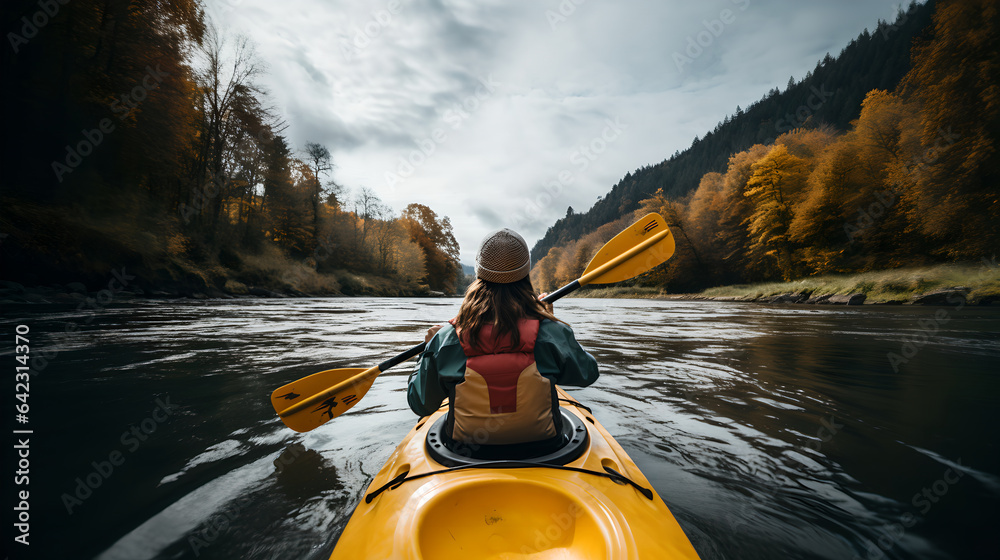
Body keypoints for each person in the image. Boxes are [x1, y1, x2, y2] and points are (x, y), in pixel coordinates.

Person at [407, 228, 599, 455]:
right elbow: (587, 374)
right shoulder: (552, 333)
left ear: (479, 274)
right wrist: (551, 323)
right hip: (545, 449)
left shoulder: (445, 339)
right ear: (526, 274)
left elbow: (421, 403)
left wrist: (427, 352)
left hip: (464, 453)